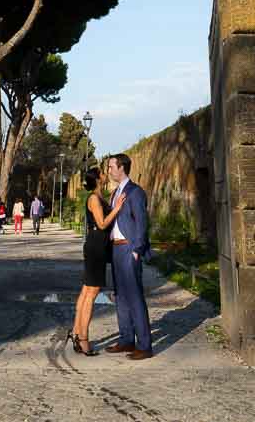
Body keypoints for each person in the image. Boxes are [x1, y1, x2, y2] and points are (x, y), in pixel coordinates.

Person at [67, 167, 127, 356]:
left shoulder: (100, 196)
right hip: (95, 248)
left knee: (86, 291)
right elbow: (101, 224)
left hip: (96, 246)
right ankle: (83, 339)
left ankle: (76, 332)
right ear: (98, 179)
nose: (105, 173)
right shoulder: (93, 198)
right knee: (91, 293)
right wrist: (117, 208)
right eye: (102, 172)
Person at [105, 153, 153, 360]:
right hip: (115, 249)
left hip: (128, 249)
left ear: (121, 167)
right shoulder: (115, 192)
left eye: (111, 166)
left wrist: (137, 250)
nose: (109, 170)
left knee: (134, 297)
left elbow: (142, 223)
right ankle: (126, 340)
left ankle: (144, 346)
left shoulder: (135, 192)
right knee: (120, 297)